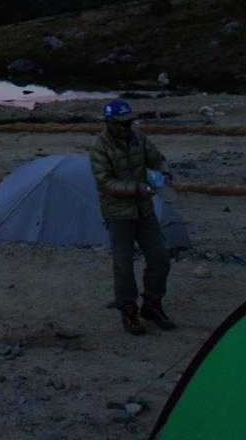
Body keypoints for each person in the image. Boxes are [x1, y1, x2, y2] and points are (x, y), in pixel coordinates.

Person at [88, 98, 175, 335]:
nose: (126, 128)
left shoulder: (139, 139)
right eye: (121, 124)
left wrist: (164, 173)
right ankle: (128, 311)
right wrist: (136, 188)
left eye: (129, 122)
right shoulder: (99, 148)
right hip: (118, 215)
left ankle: (152, 304)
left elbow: (157, 159)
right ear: (109, 122)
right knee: (123, 265)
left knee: (160, 259)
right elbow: (104, 182)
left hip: (144, 211)